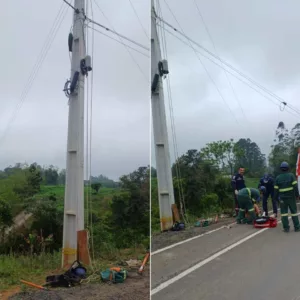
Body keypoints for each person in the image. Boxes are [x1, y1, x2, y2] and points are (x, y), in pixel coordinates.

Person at [274, 162, 300, 232]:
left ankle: (286, 228)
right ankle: (297, 227)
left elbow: (276, 190)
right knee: (294, 212)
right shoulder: (291, 176)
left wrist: (276, 198)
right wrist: (297, 195)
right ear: (288, 168)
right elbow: (295, 186)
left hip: (282, 199)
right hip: (291, 198)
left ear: (281, 169)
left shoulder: (278, 178)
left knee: (284, 213)